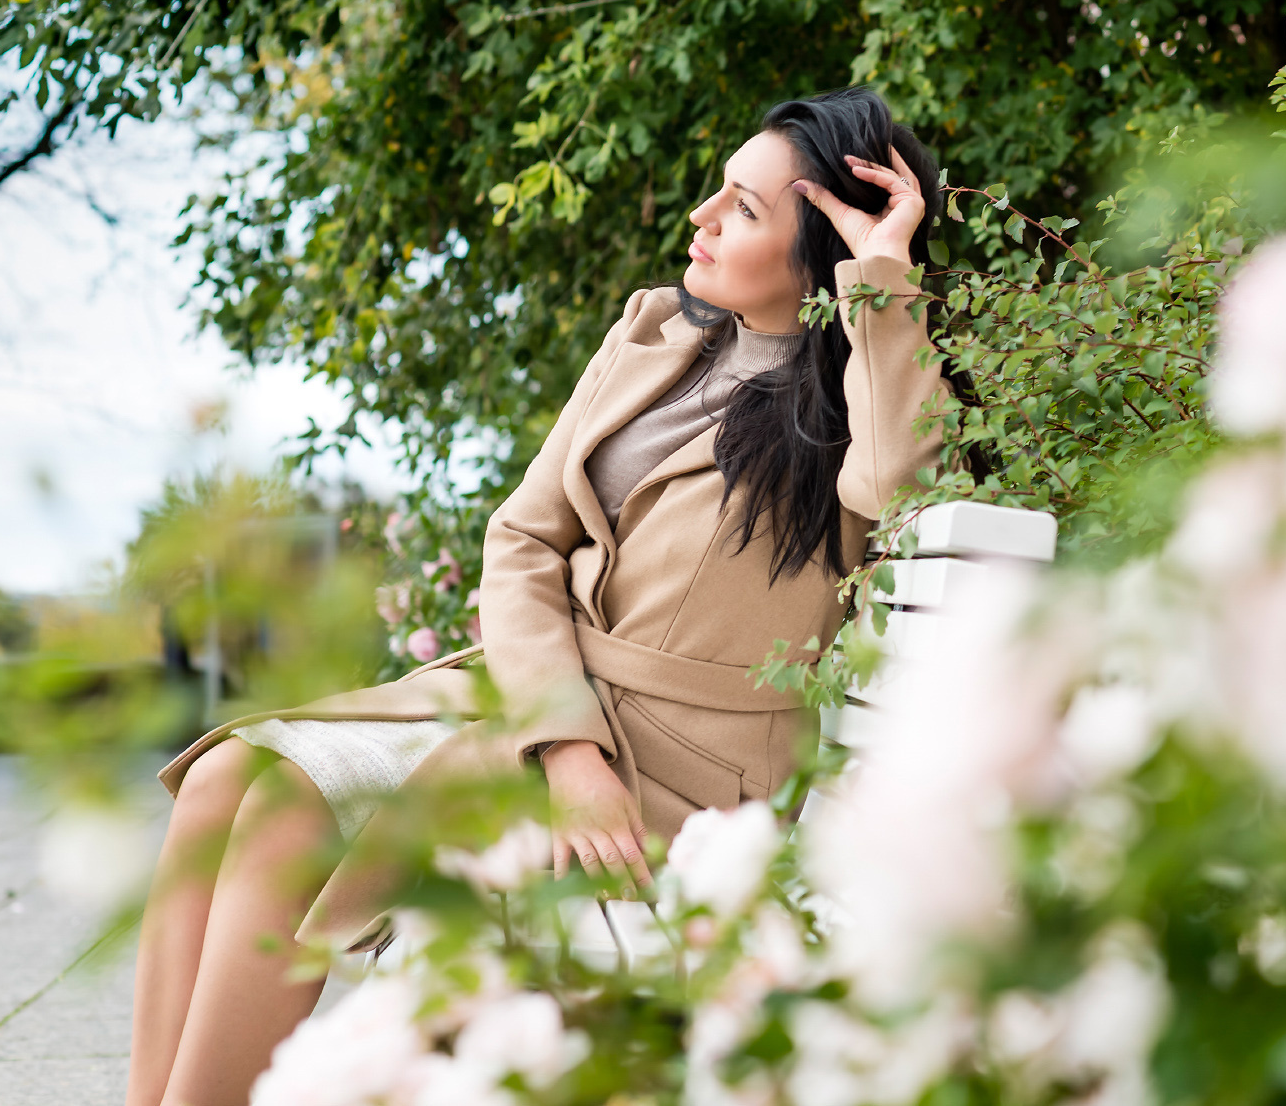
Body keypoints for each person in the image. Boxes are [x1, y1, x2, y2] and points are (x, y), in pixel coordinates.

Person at [125, 88, 950, 1106]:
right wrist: (566, 746)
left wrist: (881, 273)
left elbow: (904, 488)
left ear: (816, 246)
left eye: (740, 209)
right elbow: (522, 536)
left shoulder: (858, 396)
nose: (701, 216)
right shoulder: (654, 330)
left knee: (283, 810)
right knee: (223, 785)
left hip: (684, 772)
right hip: (545, 713)